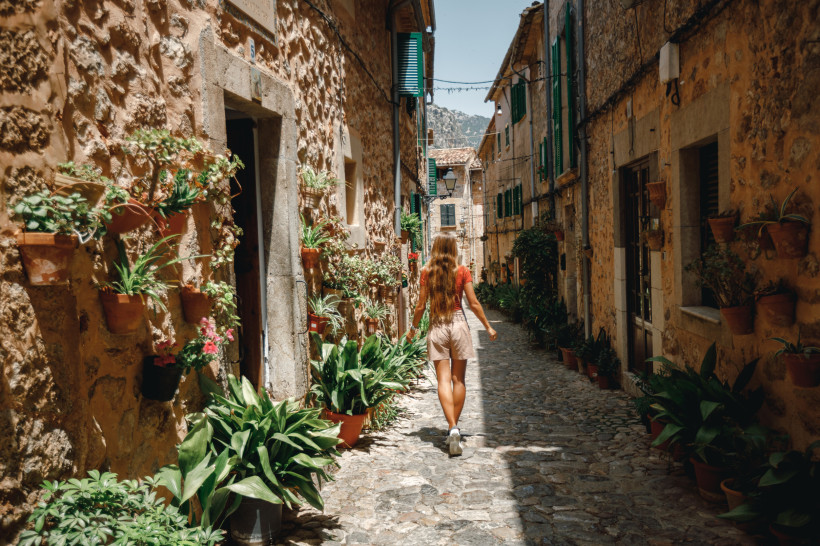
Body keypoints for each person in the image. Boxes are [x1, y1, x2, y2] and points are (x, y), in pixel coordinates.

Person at [407, 233, 498, 456]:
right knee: (459, 380)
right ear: (453, 248)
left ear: (436, 248)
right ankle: (453, 428)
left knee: (443, 380)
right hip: (458, 324)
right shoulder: (463, 271)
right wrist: (488, 327)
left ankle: (452, 427)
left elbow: (420, 306)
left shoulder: (427, 272)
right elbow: (473, 303)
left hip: (437, 325)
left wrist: (413, 329)